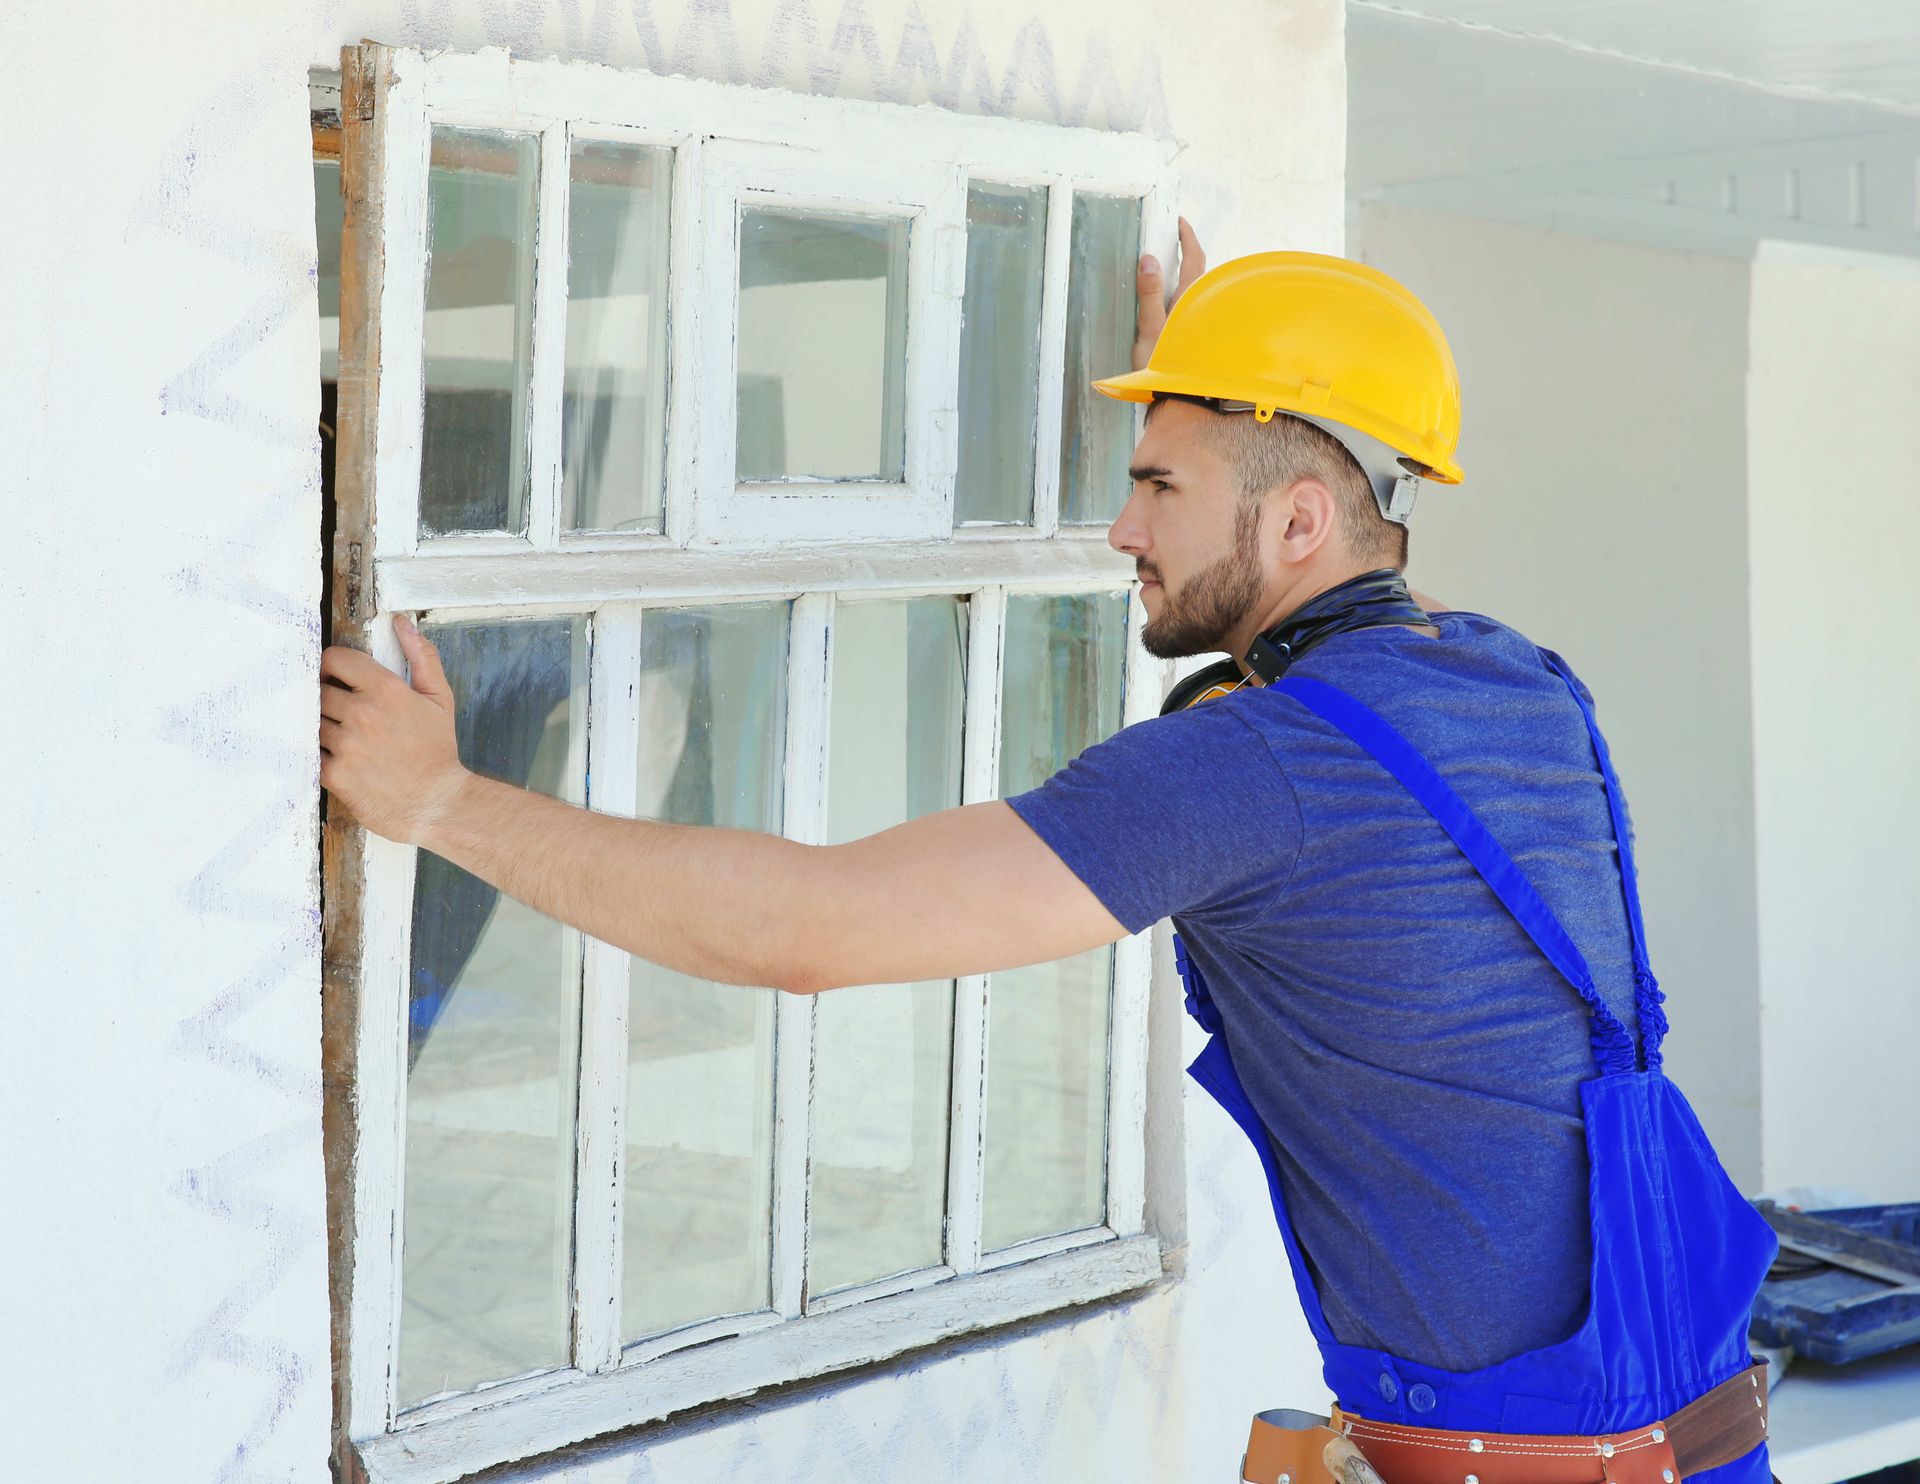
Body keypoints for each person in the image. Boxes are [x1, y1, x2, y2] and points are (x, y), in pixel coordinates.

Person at [320, 225, 1776, 1483]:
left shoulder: (1254, 772)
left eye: (1160, 486)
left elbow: (814, 930)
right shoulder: (1514, 681)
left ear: (1300, 518)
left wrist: (446, 805)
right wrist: (1222, 390)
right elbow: (1317, 570)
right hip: (1698, 1422)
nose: (1117, 525)